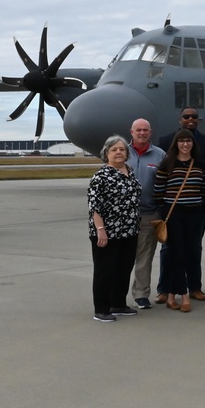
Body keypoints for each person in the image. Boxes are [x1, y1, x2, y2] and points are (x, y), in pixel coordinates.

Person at [87, 135, 141, 322]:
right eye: (114, 150)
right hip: (107, 232)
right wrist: (100, 229)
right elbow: (94, 205)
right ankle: (101, 308)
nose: (118, 152)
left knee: (123, 269)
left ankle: (118, 303)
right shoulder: (101, 176)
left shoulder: (130, 171)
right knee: (105, 270)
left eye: (122, 149)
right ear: (106, 153)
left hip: (129, 231)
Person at [154, 129, 205, 313]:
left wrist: (195, 205)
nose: (185, 144)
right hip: (174, 213)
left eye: (188, 141)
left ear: (193, 144)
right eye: (181, 141)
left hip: (193, 213)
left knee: (188, 252)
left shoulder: (200, 164)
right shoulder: (167, 163)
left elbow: (203, 189)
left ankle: (170, 296)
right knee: (178, 253)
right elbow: (159, 192)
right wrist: (166, 212)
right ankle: (184, 295)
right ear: (176, 143)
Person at [127, 119, 164, 309]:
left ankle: (141, 294)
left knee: (144, 257)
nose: (142, 133)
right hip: (123, 217)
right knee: (122, 257)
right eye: (138, 130)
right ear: (131, 132)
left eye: (145, 130)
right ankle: (116, 292)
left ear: (150, 132)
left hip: (149, 213)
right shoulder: (121, 153)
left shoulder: (159, 155)